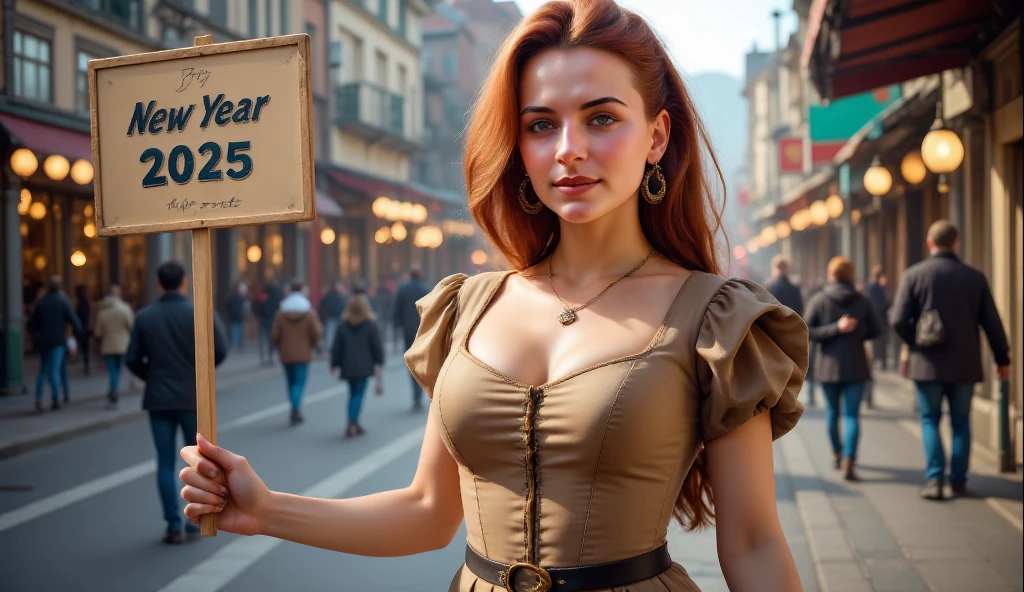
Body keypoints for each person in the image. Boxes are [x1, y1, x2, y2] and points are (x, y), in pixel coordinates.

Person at [179, 2, 808, 590]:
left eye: (602, 117)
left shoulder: (719, 319)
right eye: (541, 124)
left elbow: (752, 543)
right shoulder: (467, 307)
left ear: (657, 137)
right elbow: (426, 513)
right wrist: (265, 509)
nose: (569, 149)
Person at [889, 220, 1010, 500]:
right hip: (964, 364)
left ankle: (935, 479)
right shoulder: (974, 277)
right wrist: (1002, 358)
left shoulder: (914, 275)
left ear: (930, 242)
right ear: (956, 242)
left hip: (927, 363)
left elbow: (896, 319)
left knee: (930, 419)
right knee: (961, 422)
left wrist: (915, 341)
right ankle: (958, 480)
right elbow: (992, 323)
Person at [126, 261, 228, 544]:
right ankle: (196, 521)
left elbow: (132, 359)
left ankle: (172, 523)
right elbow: (220, 350)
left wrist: (152, 376)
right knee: (199, 461)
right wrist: (200, 374)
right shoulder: (198, 312)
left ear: (158, 283)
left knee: (164, 461)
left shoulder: (145, 316)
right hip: (192, 396)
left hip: (158, 397)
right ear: (184, 282)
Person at [804, 257, 881, 481]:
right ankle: (849, 457)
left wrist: (833, 329)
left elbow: (807, 330)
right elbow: (876, 330)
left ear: (831, 274)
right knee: (852, 415)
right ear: (851, 275)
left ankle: (837, 453)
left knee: (832, 412)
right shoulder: (863, 300)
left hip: (828, 366)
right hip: (856, 365)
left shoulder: (819, 300)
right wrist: (856, 331)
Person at [330, 291, 384, 437]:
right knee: (358, 395)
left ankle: (354, 422)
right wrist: (379, 361)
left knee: (352, 394)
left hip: (347, 365)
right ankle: (352, 422)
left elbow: (337, 346)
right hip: (364, 365)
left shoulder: (343, 325)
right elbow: (376, 345)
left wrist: (334, 364)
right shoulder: (370, 324)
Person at [271, 279, 323, 426]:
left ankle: (294, 408)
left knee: (290, 382)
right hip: (303, 353)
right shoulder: (308, 312)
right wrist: (317, 344)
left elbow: (275, 335)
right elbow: (316, 332)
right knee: (299, 382)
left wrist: (276, 345)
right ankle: (295, 408)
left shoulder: (281, 312)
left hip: (286, 353)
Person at [27, 276, 82, 412]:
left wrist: (36, 334)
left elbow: (32, 324)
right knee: (55, 369)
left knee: (43, 370)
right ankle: (56, 398)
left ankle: (38, 398)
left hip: (44, 341)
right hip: (58, 341)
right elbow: (74, 320)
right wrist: (77, 333)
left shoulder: (41, 302)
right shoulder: (63, 301)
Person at [392, 268, 431, 411]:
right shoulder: (426, 289)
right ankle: (420, 394)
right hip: (424, 331)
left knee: (412, 364)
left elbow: (396, 310)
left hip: (408, 332)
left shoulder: (403, 290)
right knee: (423, 363)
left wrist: (397, 326)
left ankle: (416, 397)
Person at [91, 285, 134, 406]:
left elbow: (98, 332)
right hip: (122, 344)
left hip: (108, 345)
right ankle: (114, 389)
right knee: (118, 369)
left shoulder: (102, 311)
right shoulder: (125, 309)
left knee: (111, 370)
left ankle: (113, 389)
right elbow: (131, 325)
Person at [863, 265, 890, 370]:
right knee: (882, 341)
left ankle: (875, 361)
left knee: (874, 342)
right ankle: (882, 362)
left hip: (872, 318)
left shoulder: (868, 288)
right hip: (881, 318)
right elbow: (884, 304)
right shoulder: (880, 289)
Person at [253, 278, 283, 366]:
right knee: (271, 339)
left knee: (262, 339)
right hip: (272, 319)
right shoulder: (277, 295)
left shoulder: (263, 296)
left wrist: (259, 314)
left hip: (263, 319)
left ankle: (263, 358)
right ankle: (270, 357)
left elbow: (256, 307)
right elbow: (278, 307)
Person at [318, 280, 348, 354]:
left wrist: (323, 317)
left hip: (330, 317)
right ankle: (339, 347)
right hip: (339, 317)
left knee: (330, 334)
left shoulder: (327, 296)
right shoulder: (340, 296)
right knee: (338, 333)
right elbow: (344, 306)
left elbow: (322, 307)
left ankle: (330, 348)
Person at [224, 281, 249, 353]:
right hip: (239, 316)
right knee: (239, 331)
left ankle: (231, 344)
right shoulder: (240, 298)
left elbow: (226, 306)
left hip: (232, 316)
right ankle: (239, 345)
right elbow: (244, 307)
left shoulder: (230, 298)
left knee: (232, 330)